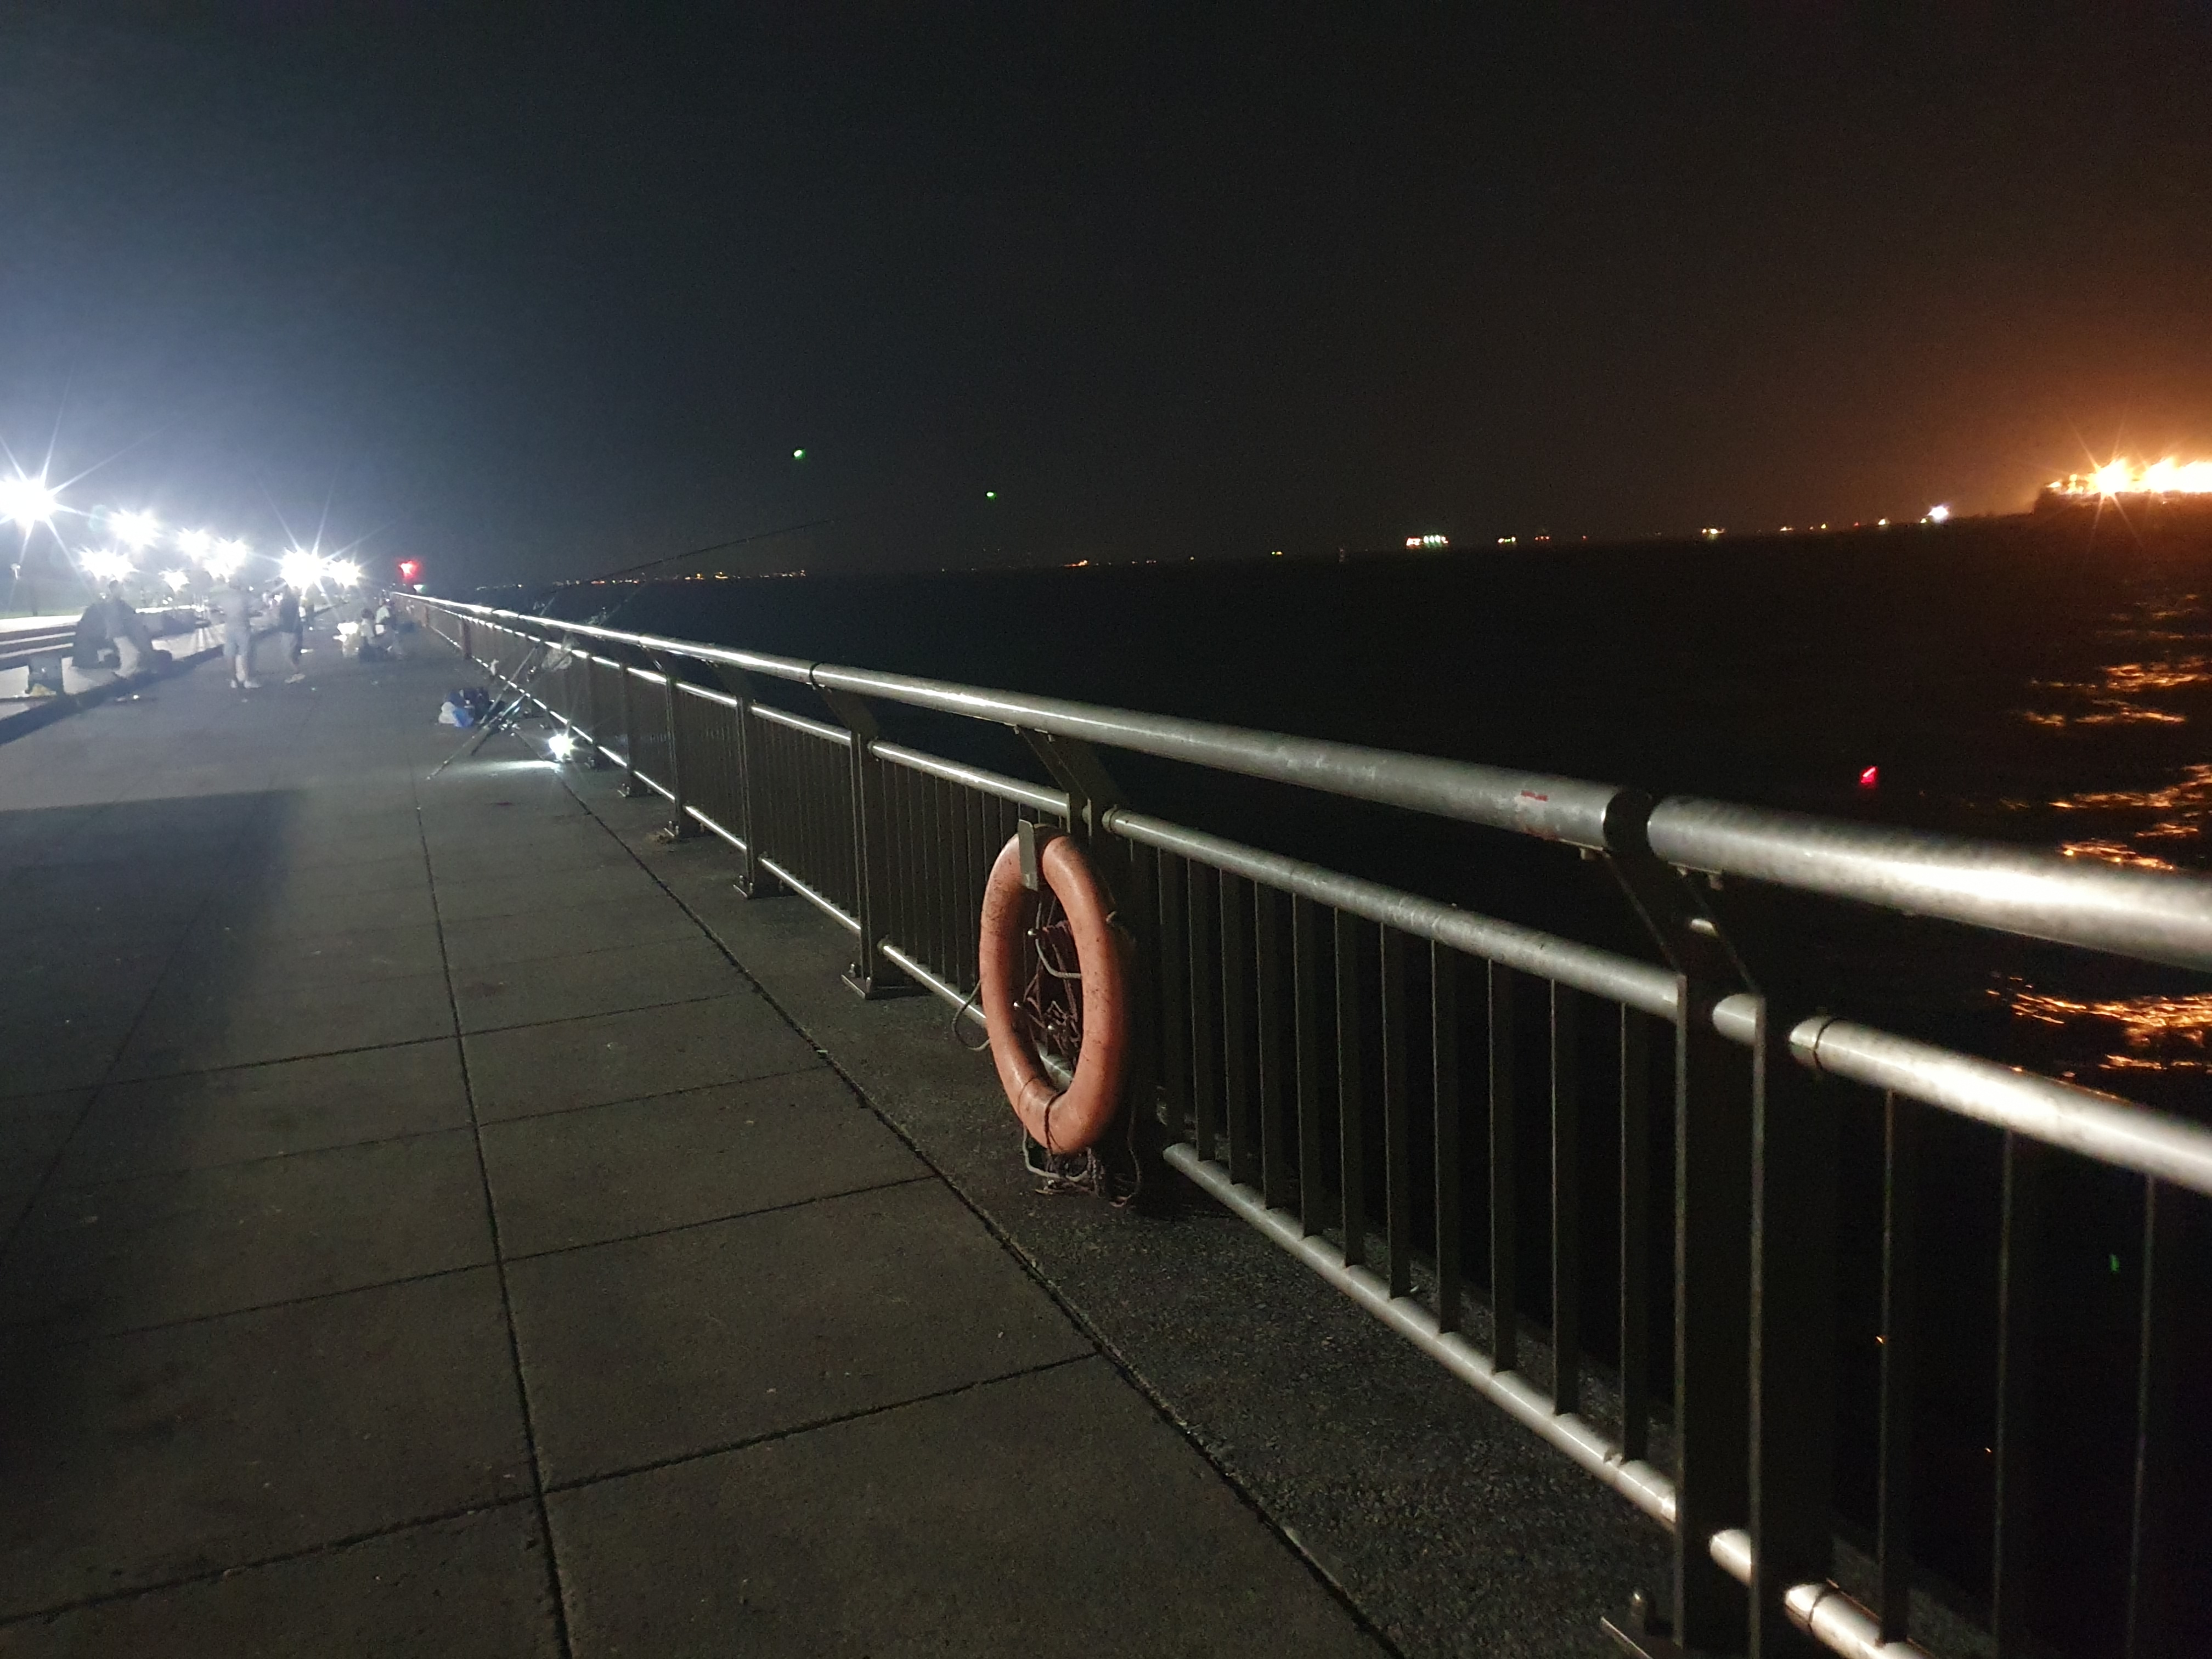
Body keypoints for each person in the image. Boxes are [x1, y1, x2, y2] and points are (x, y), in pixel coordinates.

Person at [207, 575, 257, 689]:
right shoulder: (244, 595)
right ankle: (248, 680)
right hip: (243, 626)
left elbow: (211, 605)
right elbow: (259, 605)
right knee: (245, 653)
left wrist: (220, 616)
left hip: (229, 627)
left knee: (230, 654)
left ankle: (233, 680)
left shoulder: (223, 596)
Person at [274, 584, 304, 682]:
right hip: (295, 629)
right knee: (294, 652)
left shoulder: (285, 601)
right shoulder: (293, 600)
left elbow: (279, 616)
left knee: (288, 654)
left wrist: (275, 607)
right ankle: (297, 673)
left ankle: (298, 673)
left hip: (288, 629)